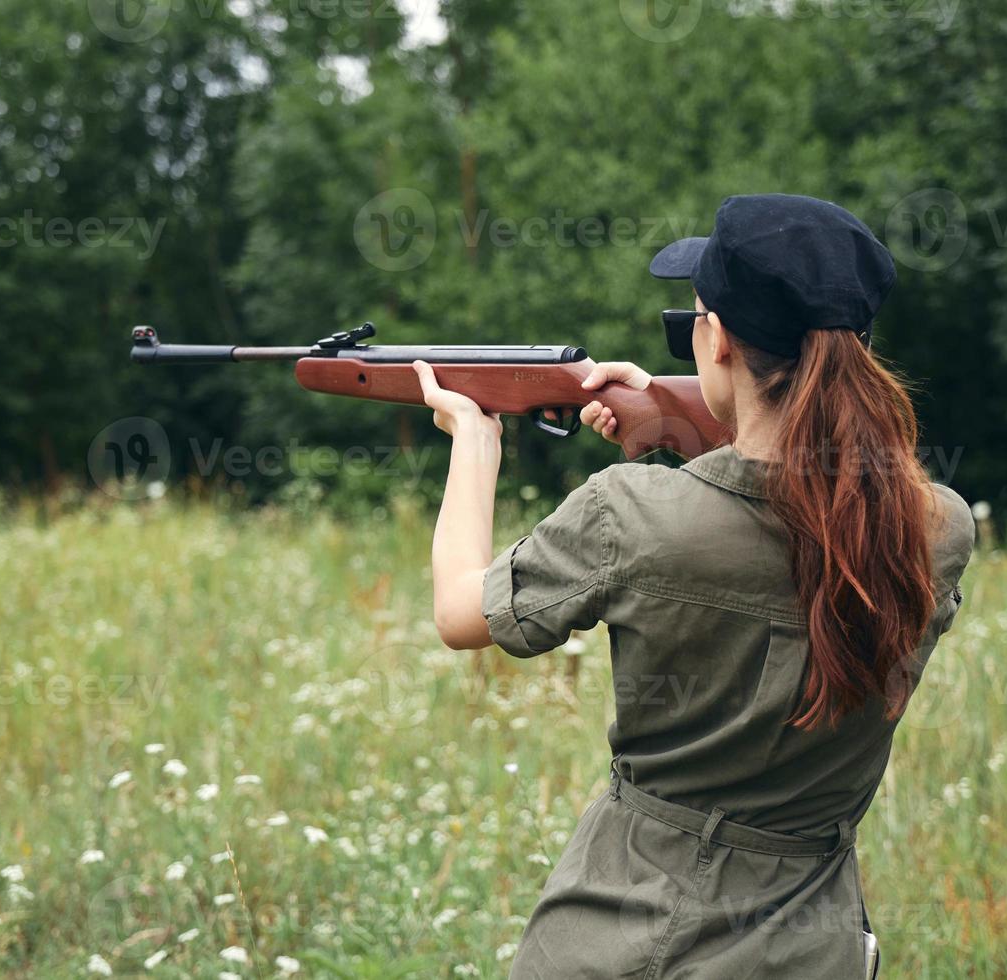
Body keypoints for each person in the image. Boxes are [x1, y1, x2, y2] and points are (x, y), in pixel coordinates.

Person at [412, 193, 975, 979]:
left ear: (716, 342)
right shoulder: (933, 527)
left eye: (697, 316)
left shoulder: (631, 514)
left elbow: (459, 611)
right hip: (810, 944)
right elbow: (805, 481)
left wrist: (475, 440)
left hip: (624, 930)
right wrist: (679, 415)